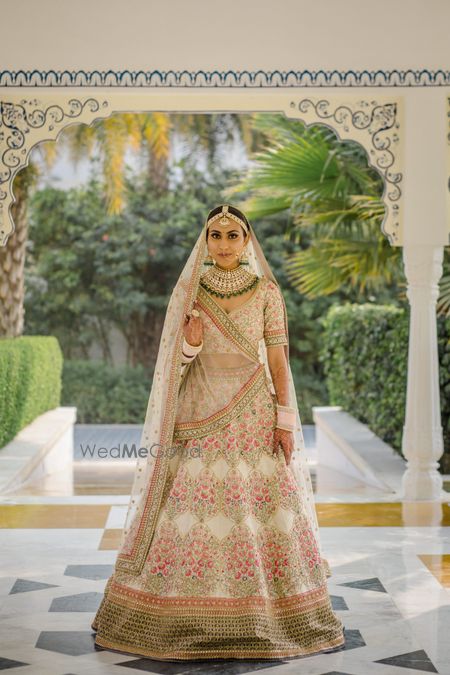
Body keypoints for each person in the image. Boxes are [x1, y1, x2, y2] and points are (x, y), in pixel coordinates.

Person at [91, 204, 345, 660]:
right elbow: (174, 364)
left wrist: (285, 420)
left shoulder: (268, 291)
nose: (224, 244)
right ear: (205, 240)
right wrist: (190, 342)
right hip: (202, 415)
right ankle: (183, 612)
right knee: (195, 510)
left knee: (261, 509)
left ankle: (268, 612)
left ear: (247, 240)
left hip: (254, 415)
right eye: (216, 234)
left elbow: (278, 362)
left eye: (233, 235)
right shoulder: (191, 292)